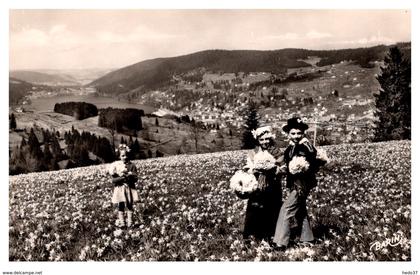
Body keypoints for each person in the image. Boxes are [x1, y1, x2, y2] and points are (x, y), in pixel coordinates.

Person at [272, 117, 323, 249]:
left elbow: (313, 162)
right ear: (288, 134)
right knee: (300, 209)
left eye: (299, 133)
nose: (296, 136)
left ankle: (280, 242)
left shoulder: (306, 146)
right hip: (293, 182)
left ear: (303, 133)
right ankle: (307, 238)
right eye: (293, 133)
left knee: (286, 209)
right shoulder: (291, 147)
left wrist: (303, 169)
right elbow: (286, 162)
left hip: (302, 183)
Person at [239, 126, 283, 241]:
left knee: (272, 209)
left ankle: (270, 234)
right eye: (261, 139)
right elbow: (248, 166)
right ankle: (250, 235)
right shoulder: (253, 152)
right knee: (254, 209)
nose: (265, 142)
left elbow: (282, 167)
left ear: (270, 139)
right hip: (257, 184)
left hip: (273, 184)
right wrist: (252, 169)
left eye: (267, 139)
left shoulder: (276, 151)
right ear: (258, 140)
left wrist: (275, 169)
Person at [109, 144, 139, 227]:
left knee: (129, 204)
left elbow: (136, 178)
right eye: (122, 155)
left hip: (129, 187)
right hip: (120, 188)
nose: (125, 157)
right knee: (121, 204)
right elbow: (114, 180)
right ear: (119, 156)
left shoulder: (132, 166)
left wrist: (130, 176)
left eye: (126, 155)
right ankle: (122, 223)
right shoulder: (116, 166)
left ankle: (130, 223)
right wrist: (122, 177)